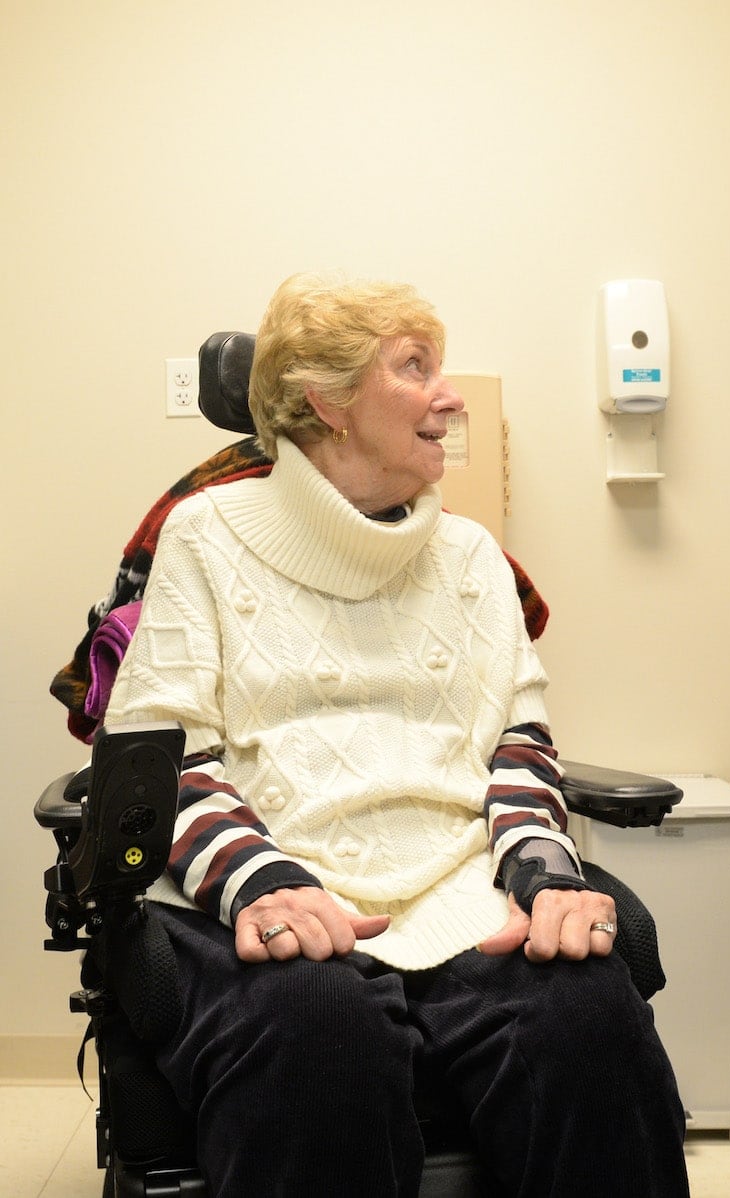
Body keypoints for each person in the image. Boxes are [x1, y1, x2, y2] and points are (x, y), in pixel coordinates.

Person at [104, 273, 690, 1197]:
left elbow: (520, 744)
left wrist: (542, 869)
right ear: (325, 401)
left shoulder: (471, 558)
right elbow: (163, 752)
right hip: (269, 886)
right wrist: (266, 880)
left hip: (461, 889)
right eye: (415, 369)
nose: (449, 395)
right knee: (318, 1030)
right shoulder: (203, 537)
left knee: (586, 1016)